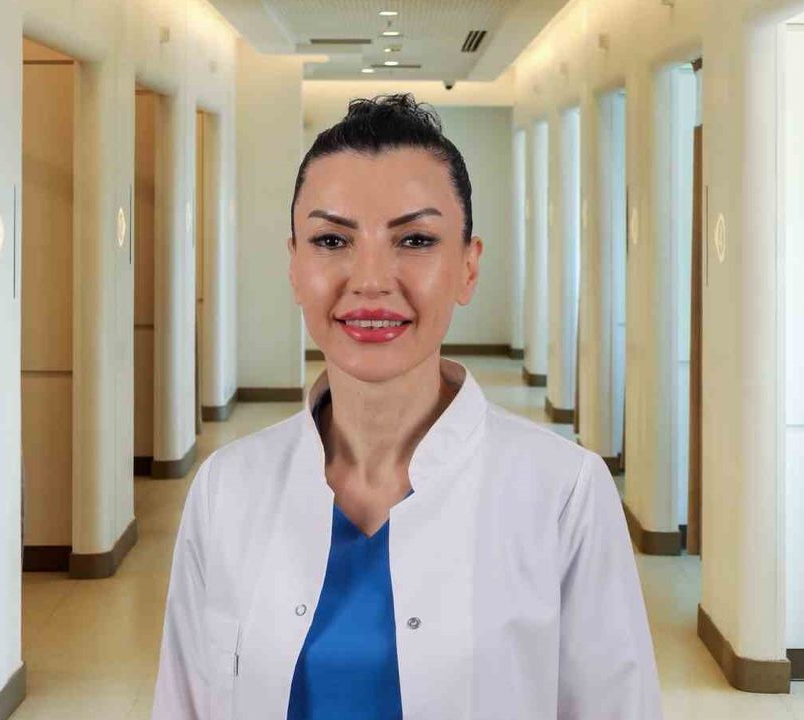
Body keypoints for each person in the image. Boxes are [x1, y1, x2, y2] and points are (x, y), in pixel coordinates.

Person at [151, 94, 662, 719]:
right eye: (331, 239)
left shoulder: (563, 494)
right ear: (294, 266)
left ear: (468, 268)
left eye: (415, 239)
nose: (370, 281)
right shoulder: (227, 490)